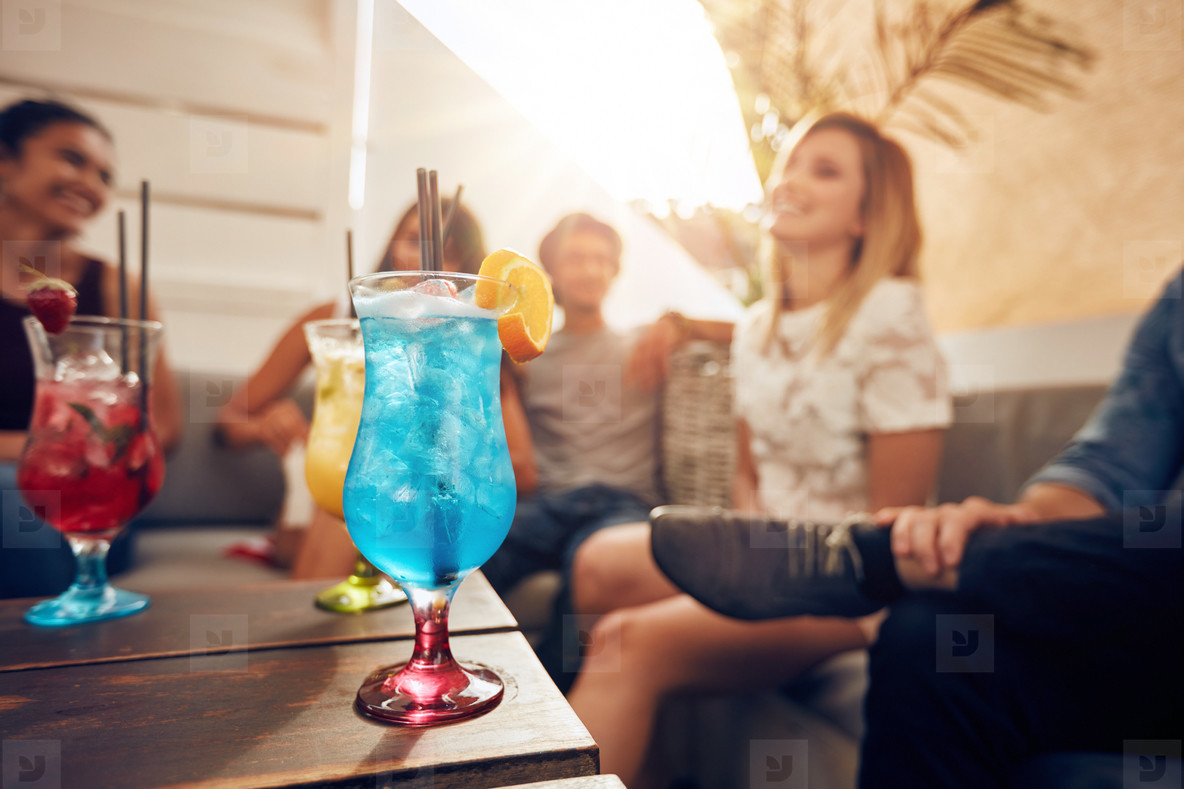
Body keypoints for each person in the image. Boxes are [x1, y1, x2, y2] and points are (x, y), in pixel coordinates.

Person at [650, 268, 1184, 787]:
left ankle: (872, 558)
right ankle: (888, 563)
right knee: (928, 635)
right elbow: (1108, 466)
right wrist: (1017, 525)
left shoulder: (889, 316)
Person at [563, 113, 953, 786]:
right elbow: (749, 470)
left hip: (848, 582)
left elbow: (894, 524)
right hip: (764, 548)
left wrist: (774, 579)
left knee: (626, 640)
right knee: (596, 560)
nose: (792, 179)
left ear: (865, 215)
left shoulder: (891, 316)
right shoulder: (755, 328)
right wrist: (746, 557)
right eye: (791, 163)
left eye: (824, 170)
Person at [214, 199, 534, 576]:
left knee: (402, 502)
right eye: (413, 239)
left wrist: (447, 455)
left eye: (450, 254)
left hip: (423, 510)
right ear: (393, 244)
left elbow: (524, 470)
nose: (427, 260)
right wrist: (263, 424)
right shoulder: (333, 317)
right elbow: (226, 423)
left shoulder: (467, 340)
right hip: (324, 505)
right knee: (364, 488)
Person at [0, 98, 183, 597]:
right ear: (5, 161)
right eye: (72, 159)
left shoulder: (122, 285)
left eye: (105, 175)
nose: (91, 184)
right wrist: (54, 447)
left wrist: (81, 456)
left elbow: (163, 423)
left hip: (95, 497)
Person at [480, 213, 665, 630]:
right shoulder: (524, 356)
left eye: (602, 259)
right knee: (467, 545)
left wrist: (681, 323)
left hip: (623, 504)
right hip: (550, 504)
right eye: (576, 258)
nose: (590, 269)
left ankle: (563, 688)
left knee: (593, 573)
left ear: (615, 271)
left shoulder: (643, 345)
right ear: (552, 273)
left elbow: (744, 334)